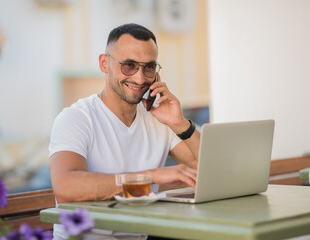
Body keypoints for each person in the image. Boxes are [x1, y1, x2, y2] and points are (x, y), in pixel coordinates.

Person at [49, 23, 200, 240]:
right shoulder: (76, 118)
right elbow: (66, 188)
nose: (140, 78)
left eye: (148, 67)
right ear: (104, 63)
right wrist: (149, 177)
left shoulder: (159, 119)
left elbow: (209, 167)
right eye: (129, 65)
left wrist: (179, 123)